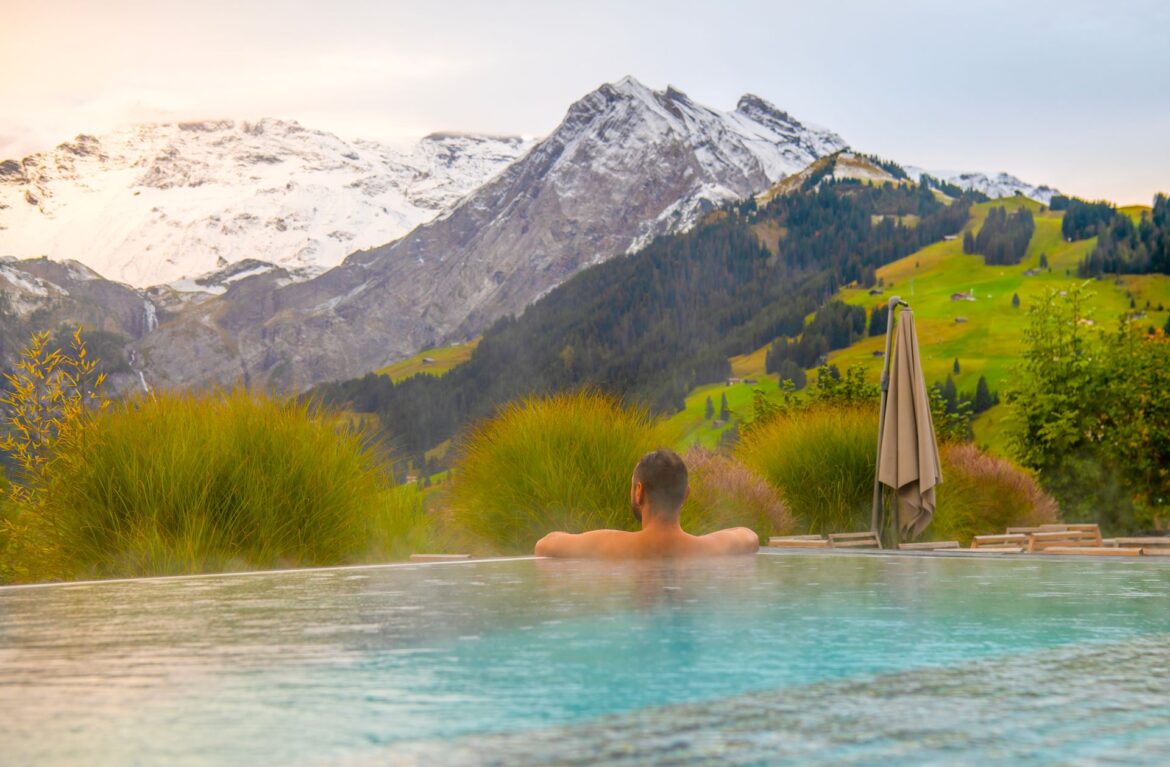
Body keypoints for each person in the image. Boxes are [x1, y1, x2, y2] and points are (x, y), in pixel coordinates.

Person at [534, 448, 760, 559]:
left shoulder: (609, 545)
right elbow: (749, 537)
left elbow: (544, 545)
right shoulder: (708, 549)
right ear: (685, 495)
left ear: (639, 491)